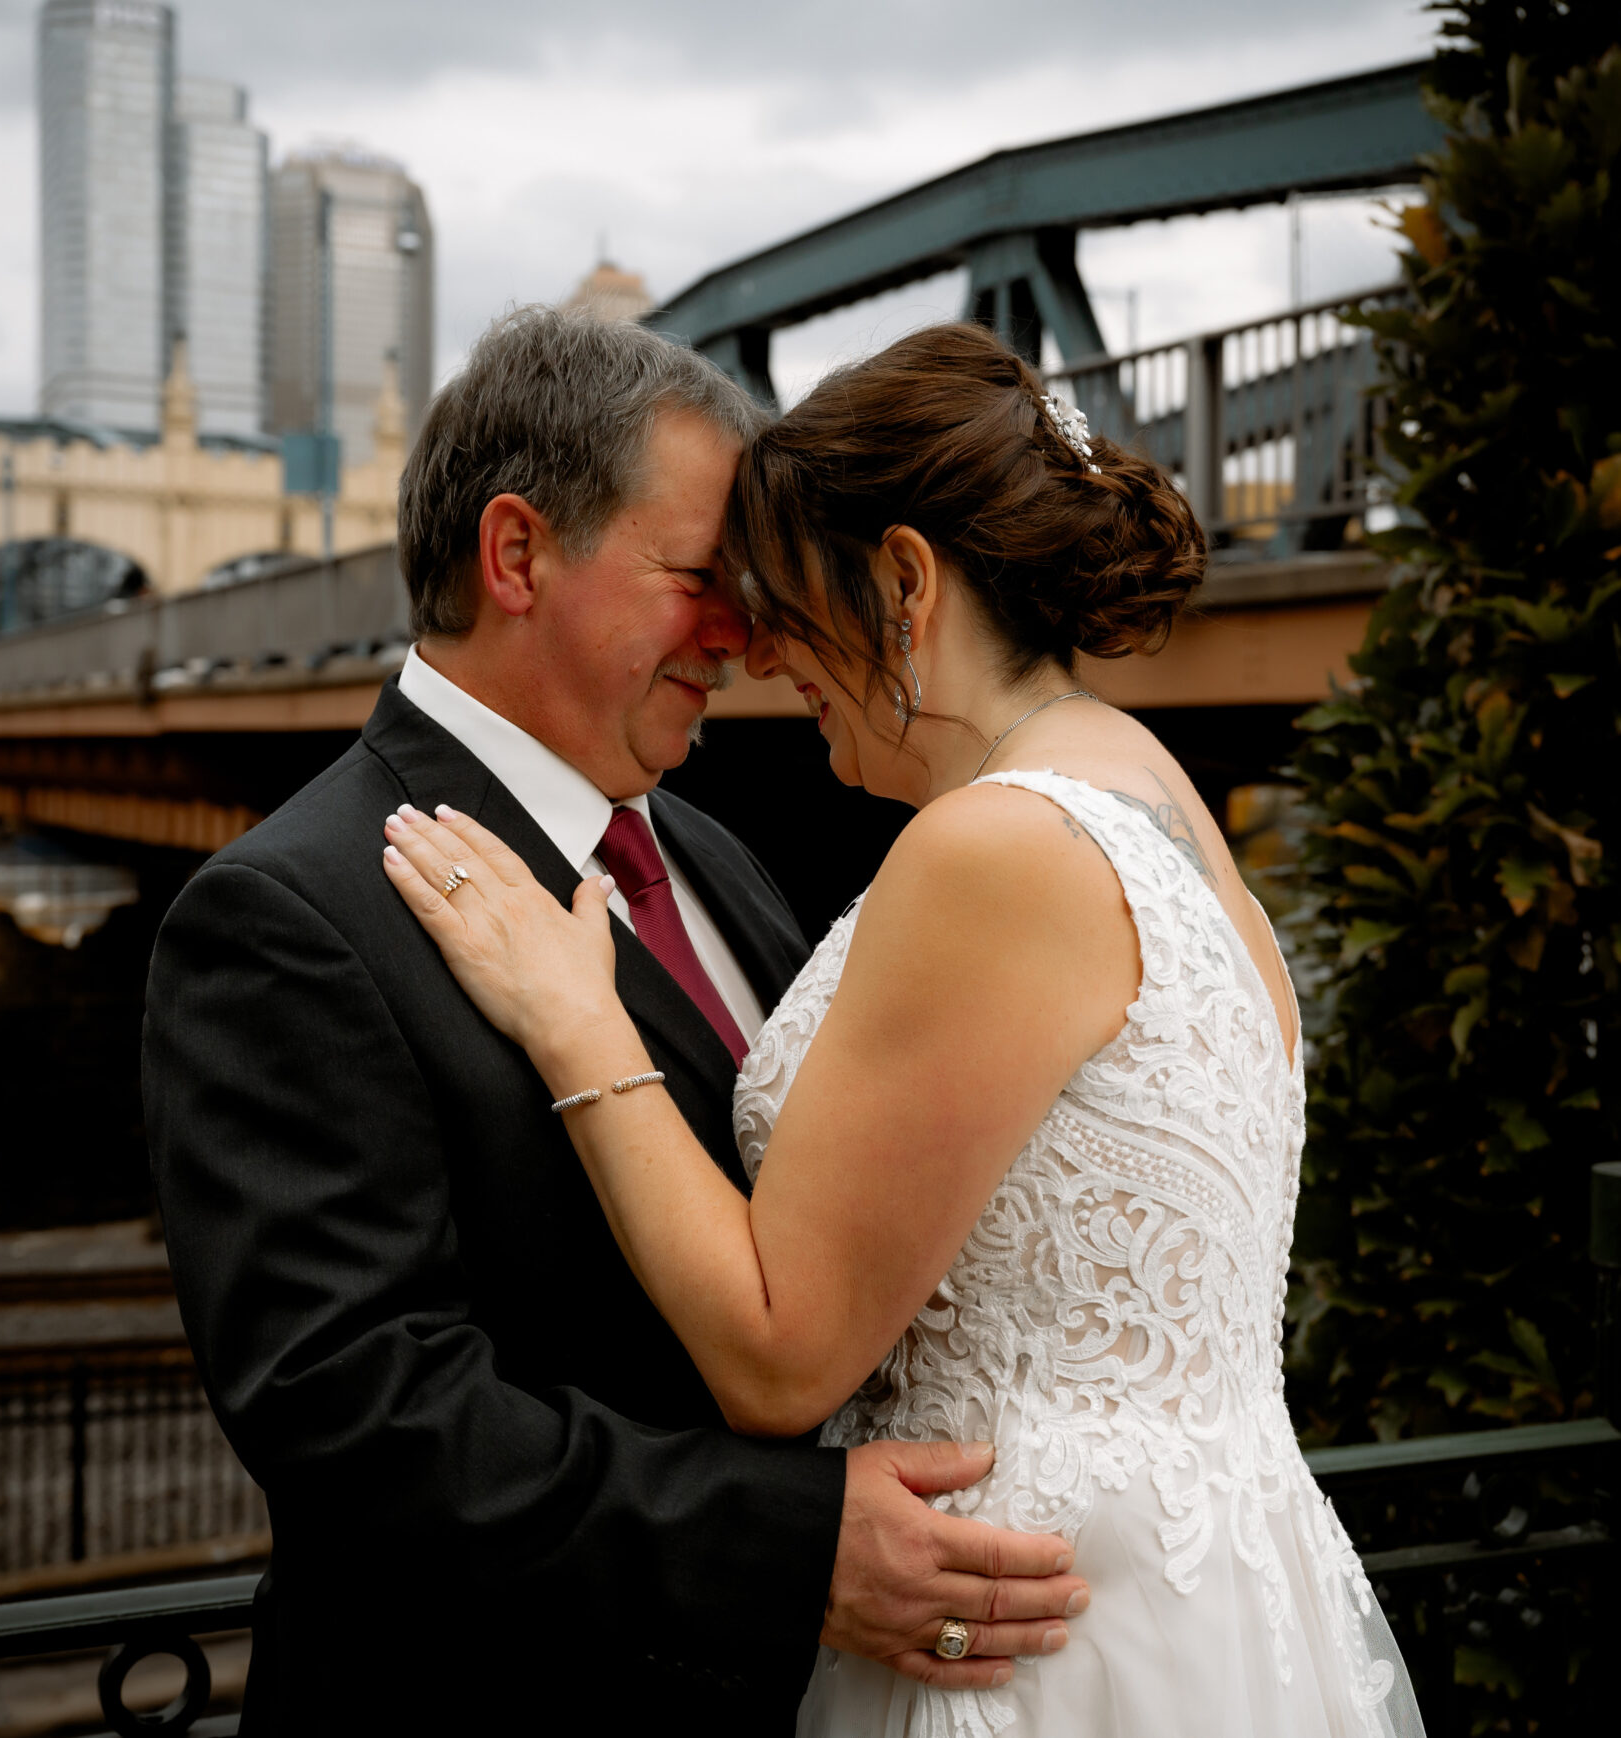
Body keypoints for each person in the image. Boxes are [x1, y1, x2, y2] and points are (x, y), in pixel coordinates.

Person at [378, 321, 1427, 1736]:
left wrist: (580, 1027)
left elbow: (778, 1354)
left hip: (1022, 1637)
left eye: (781, 600)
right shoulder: (1173, 824)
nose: (755, 649)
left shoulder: (991, 848)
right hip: (1196, 1601)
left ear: (907, 582)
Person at [142, 309, 1091, 1734]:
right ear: (517, 556)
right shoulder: (289, 912)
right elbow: (357, 1411)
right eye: (704, 578)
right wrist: (791, 1547)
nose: (747, 633)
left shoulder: (714, 854)